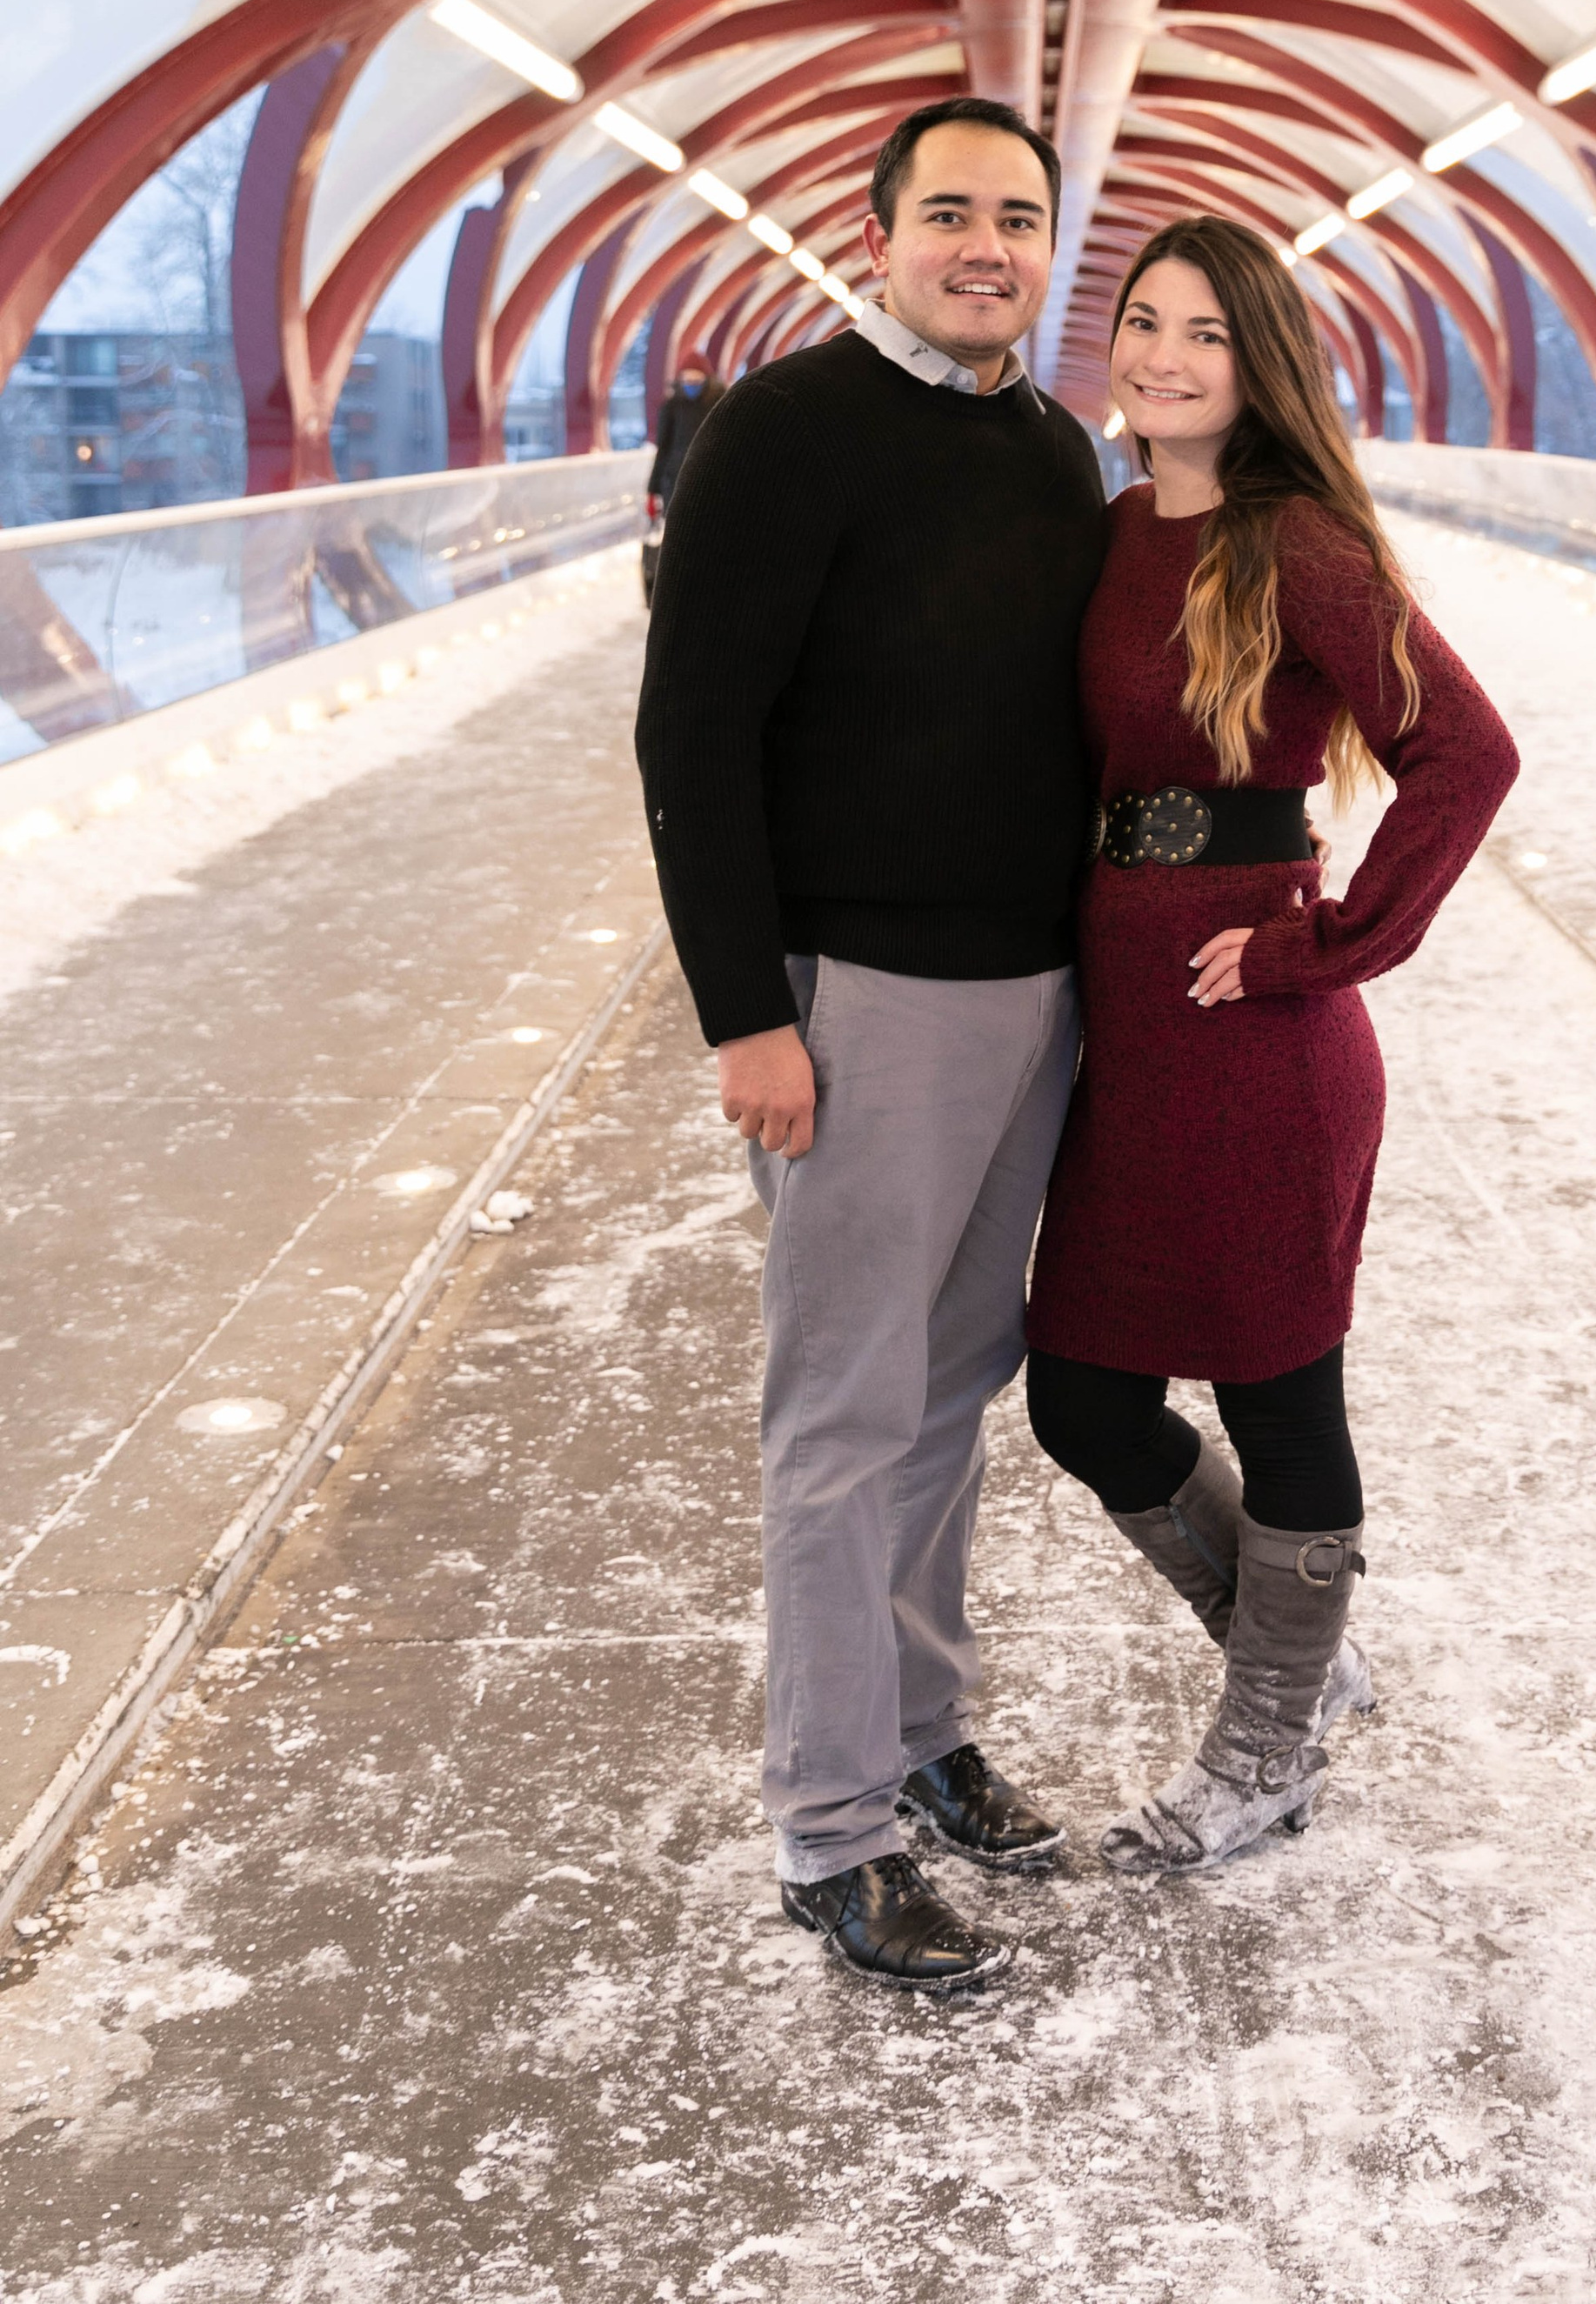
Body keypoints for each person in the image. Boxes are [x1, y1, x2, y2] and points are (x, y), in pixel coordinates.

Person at [636, 97, 1105, 1991]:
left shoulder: (1051, 446)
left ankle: (918, 1740)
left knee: (945, 1390)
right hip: (860, 998)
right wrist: (747, 1009)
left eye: (1017, 216)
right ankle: (829, 1832)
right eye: (951, 214)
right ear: (880, 229)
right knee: (839, 1416)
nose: (986, 245)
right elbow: (691, 738)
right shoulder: (785, 428)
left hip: (1029, 996)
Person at [1025, 213, 1519, 1870]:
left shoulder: (1291, 540)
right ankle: (1294, 1657)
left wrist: (1333, 945)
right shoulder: (1103, 536)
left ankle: (1266, 1745)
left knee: (1280, 1393)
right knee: (1085, 1392)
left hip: (1258, 1039)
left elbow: (1467, 755)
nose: (1161, 356)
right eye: (1143, 322)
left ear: (1260, 367)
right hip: (1127, 1030)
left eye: (1204, 335)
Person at [642, 352, 722, 605]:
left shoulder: (719, 401)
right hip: (674, 482)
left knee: (707, 536)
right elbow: (662, 449)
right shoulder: (671, 407)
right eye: (687, 378)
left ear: (706, 378)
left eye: (696, 378)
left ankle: (705, 585)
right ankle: (682, 589)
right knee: (679, 537)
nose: (691, 383)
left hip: (711, 481)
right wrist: (652, 489)